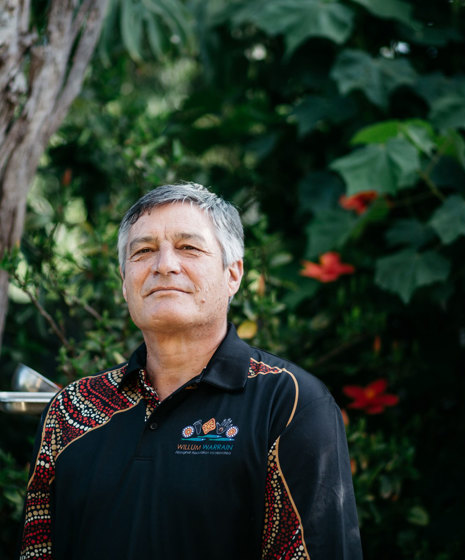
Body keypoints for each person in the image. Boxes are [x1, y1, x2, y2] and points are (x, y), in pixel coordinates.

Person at [18, 183, 362, 560]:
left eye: (188, 248)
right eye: (144, 251)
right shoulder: (70, 410)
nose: (164, 265)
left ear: (233, 274)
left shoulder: (290, 404)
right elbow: (37, 551)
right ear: (123, 281)